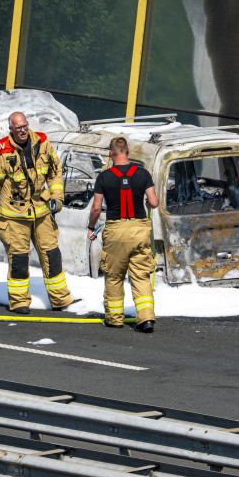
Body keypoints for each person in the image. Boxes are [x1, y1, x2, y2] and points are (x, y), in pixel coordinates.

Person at [0, 111, 73, 313]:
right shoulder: (1, 151)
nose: (23, 131)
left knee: (52, 256)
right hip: (14, 216)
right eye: (18, 128)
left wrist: (57, 197)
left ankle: (60, 300)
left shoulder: (42, 143)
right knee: (19, 260)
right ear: (10, 129)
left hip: (41, 212)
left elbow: (55, 172)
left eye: (25, 126)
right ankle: (19, 302)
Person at [88, 136, 159, 333]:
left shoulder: (104, 177)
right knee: (141, 276)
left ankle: (114, 318)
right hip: (139, 230)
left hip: (115, 230)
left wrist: (91, 227)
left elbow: (95, 208)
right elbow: (153, 203)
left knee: (114, 275)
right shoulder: (143, 174)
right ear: (128, 151)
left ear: (111, 154)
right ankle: (146, 320)